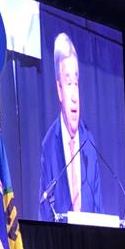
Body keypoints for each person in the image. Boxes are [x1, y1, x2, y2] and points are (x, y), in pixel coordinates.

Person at [39, 32, 102, 221]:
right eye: (68, 84)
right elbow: (44, 212)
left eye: (76, 83)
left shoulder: (88, 140)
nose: (75, 96)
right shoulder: (49, 145)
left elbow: (99, 205)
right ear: (59, 89)